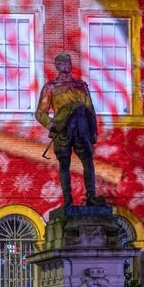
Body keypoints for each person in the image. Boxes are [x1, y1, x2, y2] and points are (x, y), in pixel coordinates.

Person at [35, 53, 102, 207]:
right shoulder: (50, 87)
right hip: (63, 130)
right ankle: (68, 200)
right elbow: (40, 113)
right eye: (62, 62)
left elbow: (90, 110)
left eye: (68, 62)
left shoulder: (81, 86)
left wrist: (94, 131)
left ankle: (91, 196)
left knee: (88, 161)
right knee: (64, 164)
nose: (66, 64)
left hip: (82, 129)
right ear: (57, 65)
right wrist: (53, 125)